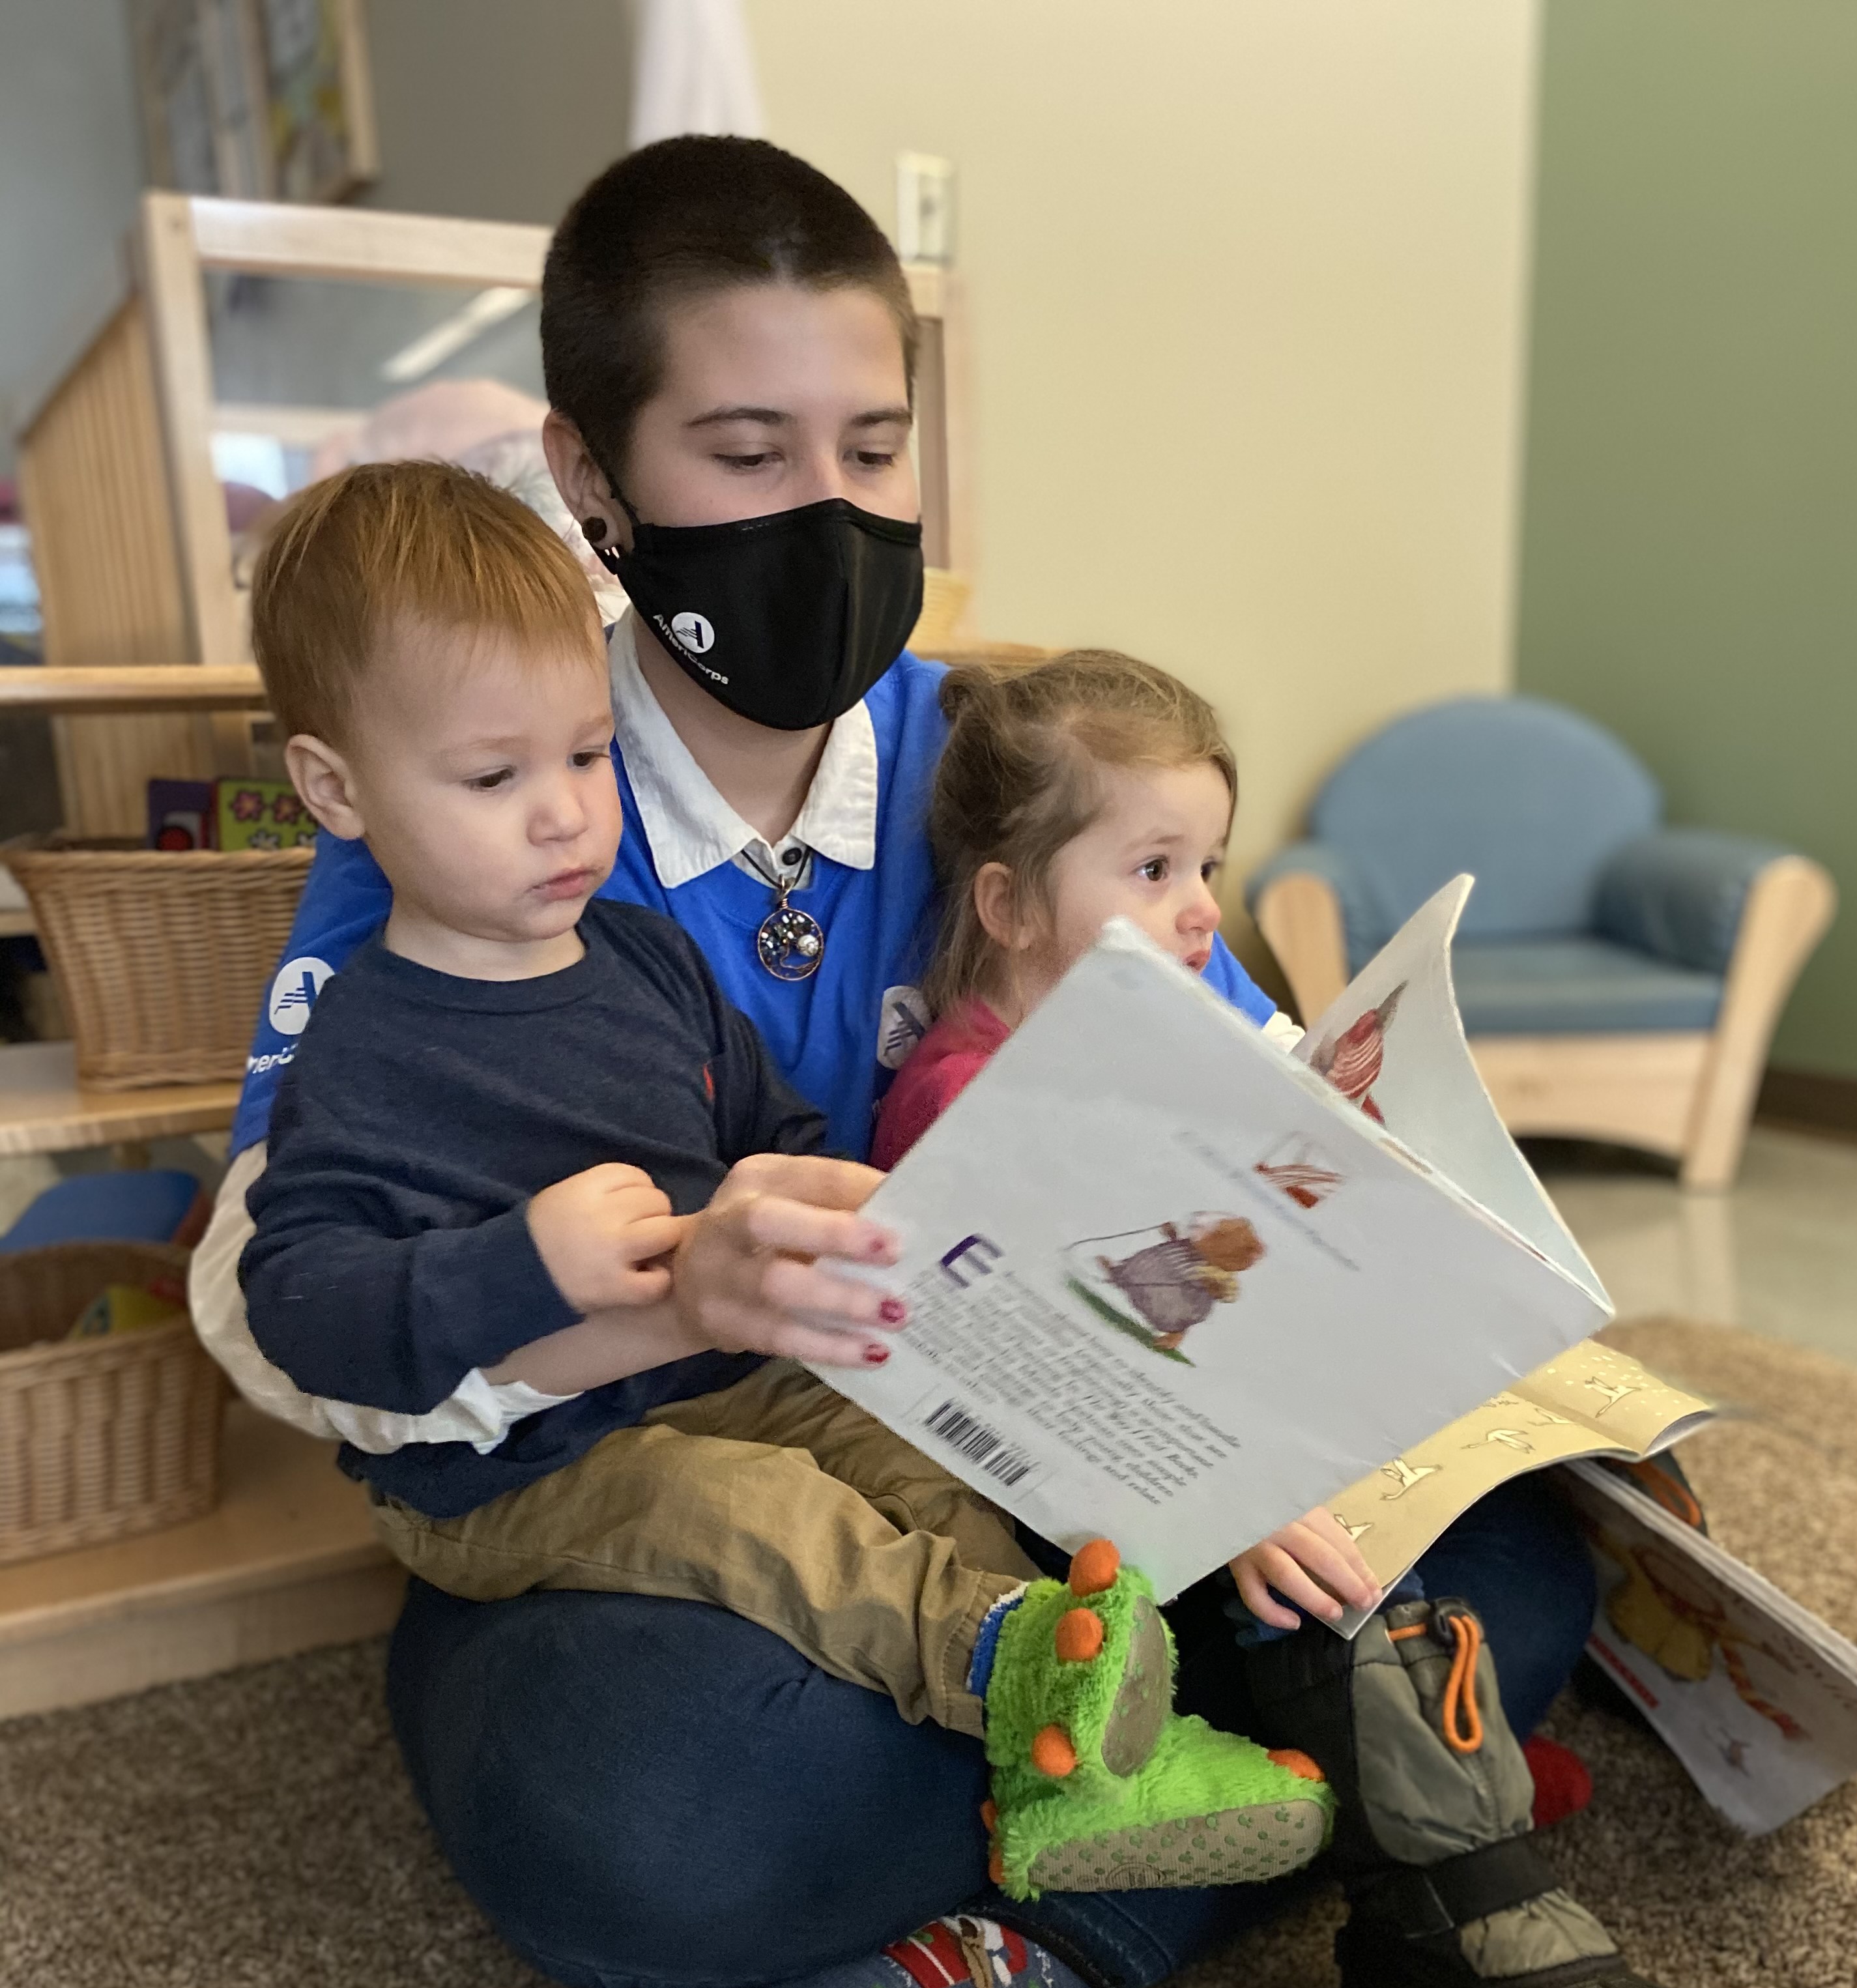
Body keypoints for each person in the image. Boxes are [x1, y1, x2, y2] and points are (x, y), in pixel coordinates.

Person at [191, 136, 1747, 1988]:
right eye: (743, 450)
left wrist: (1332, 1392)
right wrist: (624, 1285)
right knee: (636, 1819)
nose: (827, 509)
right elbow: (272, 1309)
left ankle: (1103, 1846)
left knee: (1502, 1539)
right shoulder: (466, 780)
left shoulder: (1008, 755)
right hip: (628, 1482)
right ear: (593, 475)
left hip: (1036, 1451)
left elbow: (1256, 1122)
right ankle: (1351, 1790)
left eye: (872, 446)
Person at [237, 456, 1338, 1902]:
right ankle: (1010, 1679)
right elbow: (298, 1303)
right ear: (336, 787)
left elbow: (777, 1134)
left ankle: (1085, 1745)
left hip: (731, 1376)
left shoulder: (645, 963)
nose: (567, 815)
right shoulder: (368, 1047)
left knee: (916, 1470)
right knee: (765, 1525)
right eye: (496, 778)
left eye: (585, 757)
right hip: (521, 1464)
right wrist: (526, 1263)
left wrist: (844, 1213)